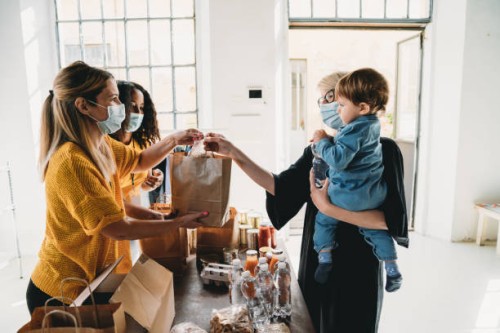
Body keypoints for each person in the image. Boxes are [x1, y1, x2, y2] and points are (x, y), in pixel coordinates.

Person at [203, 71, 408, 333]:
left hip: (360, 266)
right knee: (313, 325)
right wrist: (232, 152)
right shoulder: (317, 150)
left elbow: (390, 221)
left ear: (355, 101)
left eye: (330, 98)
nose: (324, 105)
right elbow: (278, 186)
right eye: (320, 99)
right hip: (320, 263)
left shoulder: (385, 151)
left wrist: (328, 208)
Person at [26, 61, 207, 314]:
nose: (120, 108)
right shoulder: (72, 161)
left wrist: (174, 139)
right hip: (62, 291)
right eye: (112, 100)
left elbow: (139, 161)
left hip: (94, 281)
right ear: (84, 105)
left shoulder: (100, 145)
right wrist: (176, 223)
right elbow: (118, 229)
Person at [310, 68, 402, 291]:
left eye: (339, 105)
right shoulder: (373, 127)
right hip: (373, 197)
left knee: (324, 219)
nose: (336, 110)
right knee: (376, 232)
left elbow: (339, 159)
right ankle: (391, 266)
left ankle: (324, 256)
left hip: (346, 195)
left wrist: (322, 142)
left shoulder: (352, 130)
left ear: (362, 107)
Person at [110, 80, 163, 203]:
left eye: (142, 108)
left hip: (137, 209)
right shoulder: (105, 144)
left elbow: (142, 185)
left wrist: (152, 183)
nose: (139, 113)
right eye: (132, 106)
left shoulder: (143, 143)